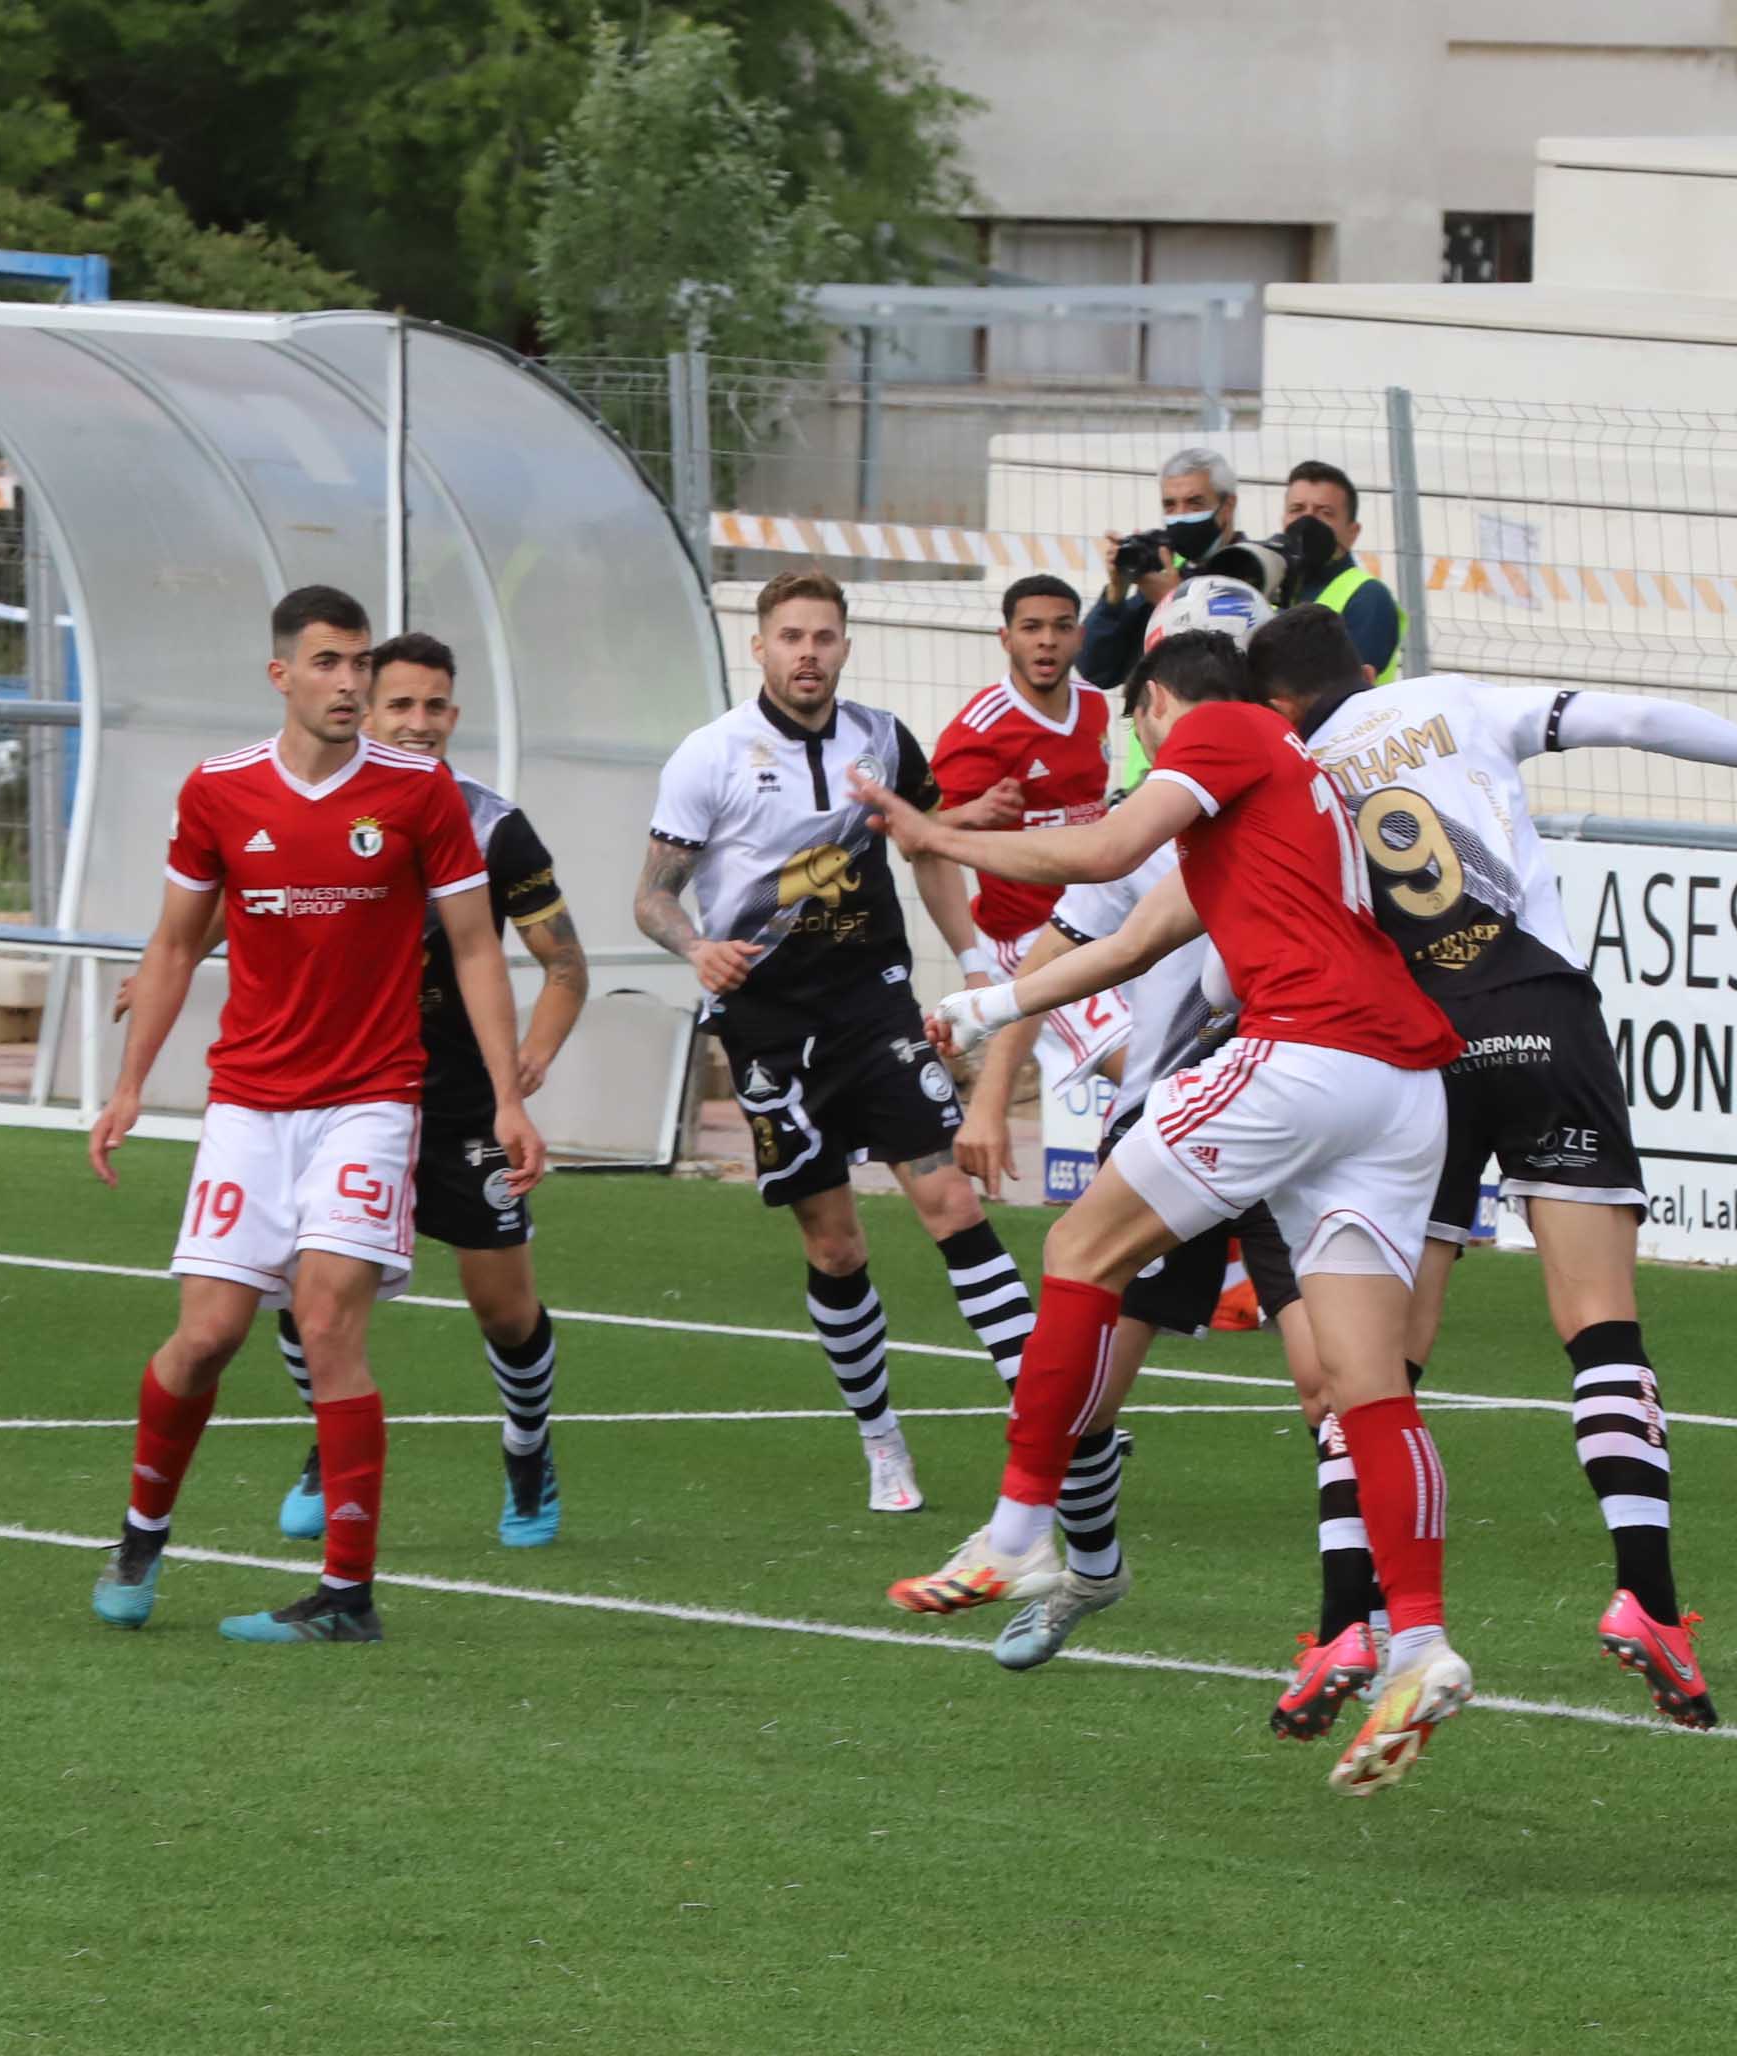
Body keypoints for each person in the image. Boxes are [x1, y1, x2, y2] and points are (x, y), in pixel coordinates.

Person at [857, 629, 1473, 1798]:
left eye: (1142, 727)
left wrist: (941, 834)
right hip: (1401, 1095)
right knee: (1366, 1384)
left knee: (1082, 1245)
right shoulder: (1285, 795)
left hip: (1307, 1053)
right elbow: (1136, 936)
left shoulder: (1226, 730)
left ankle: (1023, 1531)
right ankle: (1421, 1641)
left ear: (1154, 705)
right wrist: (992, 1003)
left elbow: (1111, 841)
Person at [1252, 606, 1737, 1734]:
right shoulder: (1448, 701)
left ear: (1273, 705)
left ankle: (1349, 1621)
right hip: (1543, 1016)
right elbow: (1635, 715)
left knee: (1381, 1365)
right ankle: (1648, 1598)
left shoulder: (1294, 776)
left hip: (1412, 1053)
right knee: (1599, 1322)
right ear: (1366, 666)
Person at [86, 585, 547, 1645]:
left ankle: (347, 1594)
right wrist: (127, 1087)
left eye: (359, 665)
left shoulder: (420, 794)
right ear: (282, 674)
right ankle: (141, 1533)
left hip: (374, 1100)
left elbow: (479, 947)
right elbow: (171, 945)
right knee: (205, 1336)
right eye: (330, 664)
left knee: (330, 1321)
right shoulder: (217, 793)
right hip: (248, 1101)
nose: (350, 684)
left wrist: (510, 1098)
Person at [946, 577, 1315, 1675]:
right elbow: (1058, 954)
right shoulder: (1153, 823)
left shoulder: (1310, 796)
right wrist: (987, 1088)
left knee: (1332, 1382)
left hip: (1294, 1111)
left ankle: (1369, 1623)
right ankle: (1091, 1567)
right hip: (1176, 1124)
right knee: (1082, 1390)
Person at [631, 571, 1040, 1515]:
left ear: (847, 646)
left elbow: (924, 848)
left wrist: (976, 963)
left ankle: (1045, 1406)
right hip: (769, 1023)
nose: (807, 653)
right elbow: (653, 894)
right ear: (761, 648)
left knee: (949, 1199)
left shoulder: (885, 739)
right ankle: (881, 1439)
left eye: (823, 636)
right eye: (790, 637)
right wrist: (698, 947)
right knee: (837, 1246)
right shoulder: (711, 755)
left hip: (874, 1003)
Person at [929, 573, 1128, 1114]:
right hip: (1025, 937)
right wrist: (971, 814)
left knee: (1164, 1057)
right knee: (1137, 1066)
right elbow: (919, 836)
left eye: (1061, 628)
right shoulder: (981, 729)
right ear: (1006, 638)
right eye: (1031, 628)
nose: (1046, 641)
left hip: (1101, 920)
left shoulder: (1092, 707)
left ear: (1079, 637)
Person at [1078, 447, 1242, 688]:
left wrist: (1176, 605)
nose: (1181, 516)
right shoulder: (1165, 573)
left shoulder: (1253, 571)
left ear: (1227, 506)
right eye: (1170, 506)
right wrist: (1115, 599)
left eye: (1195, 504)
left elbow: (1232, 674)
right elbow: (1097, 670)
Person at [1277, 460, 1401, 681]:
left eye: (1325, 512)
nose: (1307, 520)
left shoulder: (1368, 597)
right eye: (1297, 509)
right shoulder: (1273, 585)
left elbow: (1345, 689)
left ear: (1352, 532)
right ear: (1284, 519)